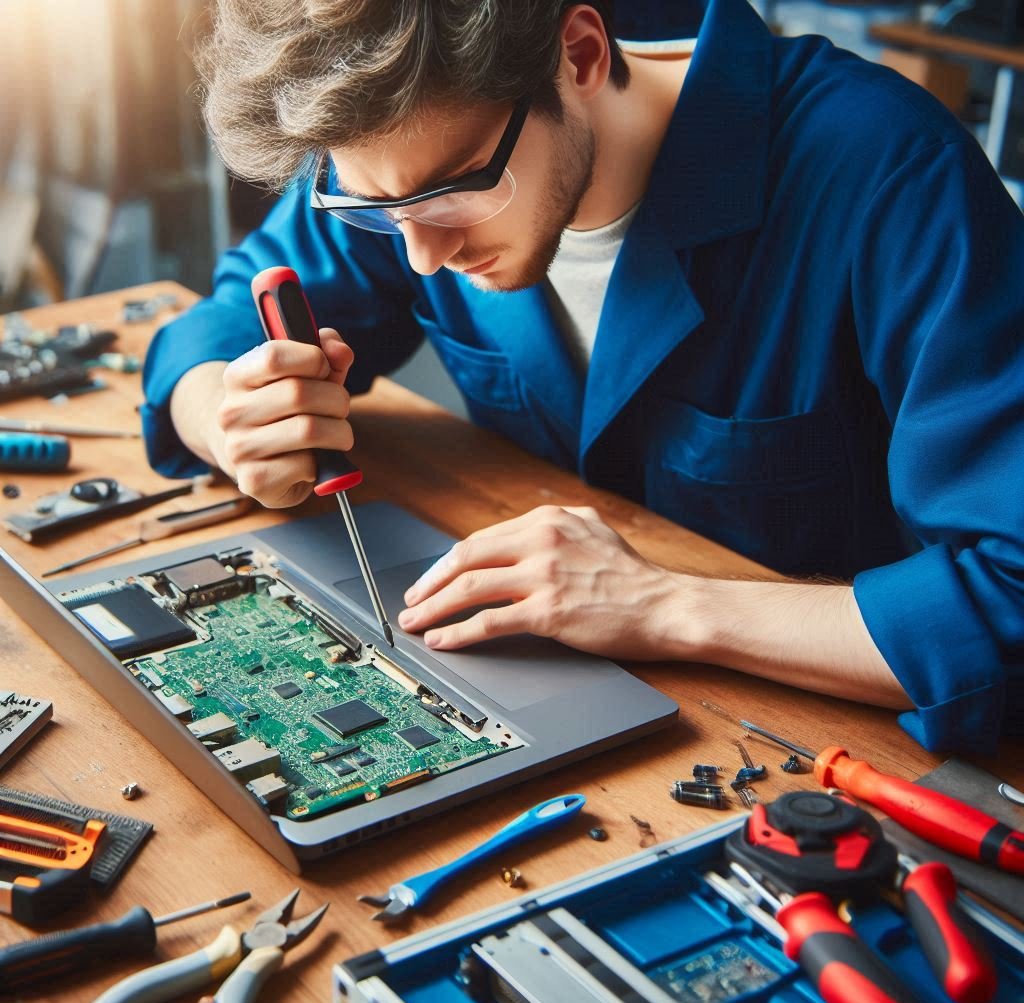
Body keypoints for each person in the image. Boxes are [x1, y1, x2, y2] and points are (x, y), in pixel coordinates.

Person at [143, 0, 1024, 754]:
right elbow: (212, 328)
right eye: (373, 212)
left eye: (455, 193)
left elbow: (1010, 598)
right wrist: (226, 411)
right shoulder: (402, 161)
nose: (424, 254)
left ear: (580, 55)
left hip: (826, 753)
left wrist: (665, 606)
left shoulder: (886, 171)